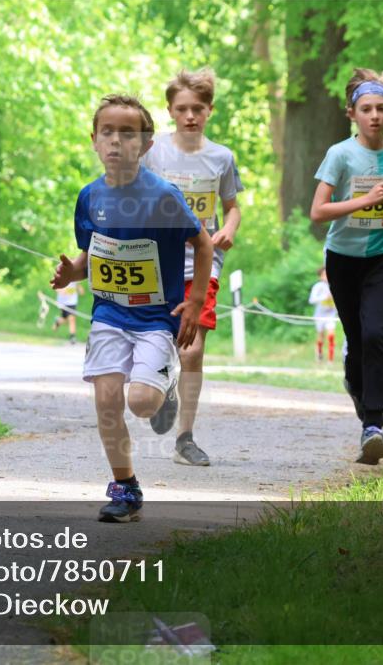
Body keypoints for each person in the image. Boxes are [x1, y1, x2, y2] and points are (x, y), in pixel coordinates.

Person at [50, 94, 212, 522]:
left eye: (128, 133)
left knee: (141, 403)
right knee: (106, 399)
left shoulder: (162, 196)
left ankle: (165, 389)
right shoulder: (89, 198)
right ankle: (125, 486)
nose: (116, 141)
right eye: (108, 132)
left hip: (156, 317)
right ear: (94, 140)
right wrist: (73, 273)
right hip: (109, 314)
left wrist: (195, 302)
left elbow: (202, 243)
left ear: (146, 144)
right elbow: (94, 254)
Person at [309, 67, 383, 465]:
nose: (374, 115)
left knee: (377, 333)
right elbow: (318, 211)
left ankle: (373, 424)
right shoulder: (340, 154)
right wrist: (365, 201)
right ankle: (356, 388)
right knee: (357, 340)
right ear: (352, 114)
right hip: (342, 260)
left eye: (380, 108)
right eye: (366, 109)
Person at [139, 68, 243, 467]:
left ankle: (185, 438)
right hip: (154, 262)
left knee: (194, 350)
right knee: (159, 343)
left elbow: (232, 207)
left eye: (197, 108)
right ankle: (164, 387)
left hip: (202, 264)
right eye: (182, 109)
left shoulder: (221, 157)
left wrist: (228, 230)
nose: (190, 116)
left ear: (209, 111)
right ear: (170, 111)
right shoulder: (153, 152)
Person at [308, 266, 338, 362]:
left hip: (331, 315)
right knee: (321, 335)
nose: (327, 276)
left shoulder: (335, 285)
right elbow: (312, 300)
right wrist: (325, 297)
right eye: (324, 275)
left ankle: (330, 359)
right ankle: (319, 354)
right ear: (320, 276)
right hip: (320, 315)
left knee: (331, 335)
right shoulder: (318, 287)